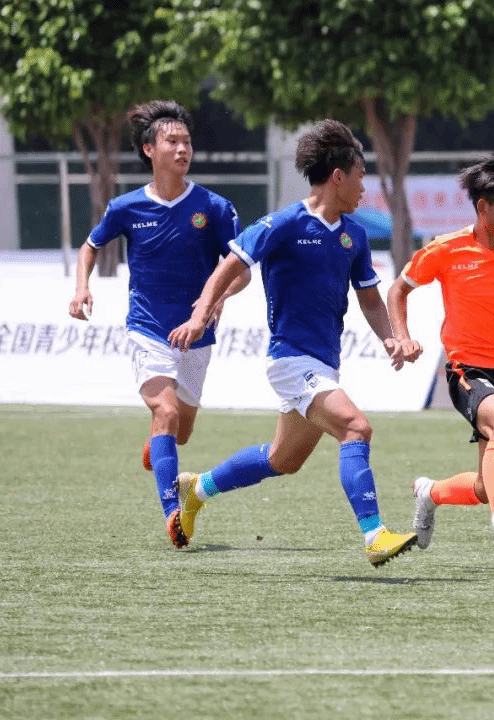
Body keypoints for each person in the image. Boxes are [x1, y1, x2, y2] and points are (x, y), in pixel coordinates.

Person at [168, 119, 417, 566]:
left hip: (324, 363)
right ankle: (375, 535)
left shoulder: (355, 235)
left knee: (283, 460)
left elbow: (369, 298)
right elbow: (229, 265)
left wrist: (392, 338)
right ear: (338, 176)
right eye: (360, 176)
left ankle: (196, 489)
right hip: (290, 360)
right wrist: (200, 315)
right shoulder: (283, 223)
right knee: (356, 427)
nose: (364, 187)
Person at [68, 100, 249, 549]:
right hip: (147, 328)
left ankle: (159, 446)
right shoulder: (126, 206)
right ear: (149, 149)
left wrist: (215, 300)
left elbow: (241, 270)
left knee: (180, 431)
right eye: (172, 141)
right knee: (165, 413)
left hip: (197, 333)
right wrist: (81, 287)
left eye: (187, 141)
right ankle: (174, 513)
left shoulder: (214, 207)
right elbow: (90, 246)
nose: (182, 149)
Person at [386, 152, 494, 551]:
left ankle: (429, 492)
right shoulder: (447, 248)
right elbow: (398, 289)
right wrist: (402, 336)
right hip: (466, 367)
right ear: (483, 207)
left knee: (488, 485)